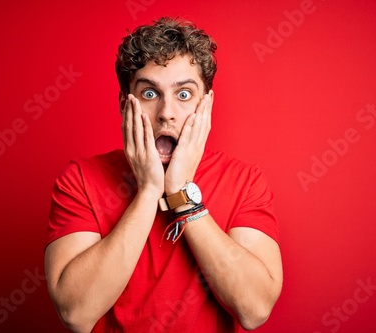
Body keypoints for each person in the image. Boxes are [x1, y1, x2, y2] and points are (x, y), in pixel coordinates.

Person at [44, 17, 282, 333]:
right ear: (123, 104)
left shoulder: (245, 181)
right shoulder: (80, 180)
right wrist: (148, 191)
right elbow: (75, 313)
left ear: (206, 106)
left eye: (184, 94)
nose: (166, 112)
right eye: (150, 94)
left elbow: (254, 310)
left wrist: (181, 191)